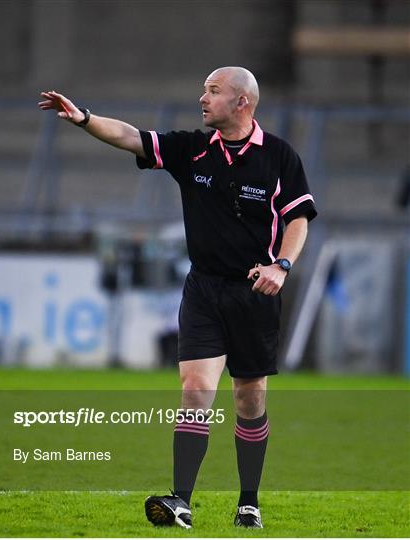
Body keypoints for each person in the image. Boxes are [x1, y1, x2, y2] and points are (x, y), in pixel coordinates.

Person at [38, 66, 317, 529]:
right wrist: (85, 118)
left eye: (213, 91)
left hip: (254, 292)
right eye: (203, 90)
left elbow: (299, 220)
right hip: (204, 289)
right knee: (194, 389)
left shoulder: (279, 157)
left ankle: (249, 501)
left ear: (242, 102)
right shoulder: (192, 149)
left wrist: (281, 266)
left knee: (250, 399)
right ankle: (180, 500)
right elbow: (132, 138)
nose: (202, 98)